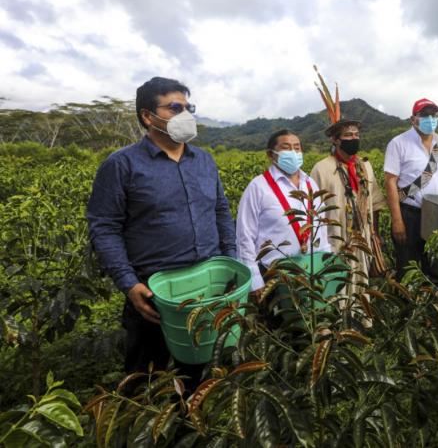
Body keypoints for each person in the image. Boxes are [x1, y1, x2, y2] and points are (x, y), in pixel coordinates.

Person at [86, 77, 237, 389]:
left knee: (197, 375)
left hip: (206, 288)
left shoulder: (204, 161)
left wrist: (230, 261)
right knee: (144, 379)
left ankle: (186, 431)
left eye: (188, 107)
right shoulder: (122, 165)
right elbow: (104, 227)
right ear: (147, 116)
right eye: (175, 107)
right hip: (154, 293)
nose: (185, 115)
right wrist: (129, 284)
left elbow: (221, 211)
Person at [310, 73, 386, 297]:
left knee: (361, 278)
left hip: (362, 235)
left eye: (356, 134)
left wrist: (374, 233)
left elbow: (374, 202)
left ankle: (360, 320)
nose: (353, 138)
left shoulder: (365, 166)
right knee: (337, 281)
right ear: (335, 140)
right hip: (335, 237)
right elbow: (313, 211)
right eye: (347, 135)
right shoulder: (321, 169)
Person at [236, 129, 331, 291]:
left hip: (312, 269)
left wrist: (326, 263)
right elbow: (245, 237)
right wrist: (255, 282)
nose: (293, 152)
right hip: (273, 275)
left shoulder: (310, 184)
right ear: (271, 154)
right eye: (286, 147)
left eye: (297, 147)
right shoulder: (258, 187)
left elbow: (321, 229)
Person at [384, 98, 438, 287]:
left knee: (436, 267)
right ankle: (408, 313)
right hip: (411, 214)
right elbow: (390, 182)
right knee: (409, 269)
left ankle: (433, 311)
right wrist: (397, 220)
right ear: (413, 119)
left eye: (433, 115)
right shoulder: (398, 143)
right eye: (424, 115)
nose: (430, 119)